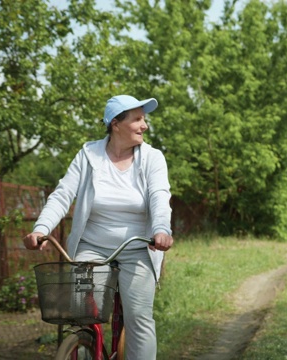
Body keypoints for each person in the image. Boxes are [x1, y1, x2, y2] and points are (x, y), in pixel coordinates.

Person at [23, 94, 174, 359]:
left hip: (138, 247)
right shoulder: (88, 155)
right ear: (115, 123)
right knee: (79, 312)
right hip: (91, 247)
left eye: (144, 119)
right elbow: (62, 194)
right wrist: (41, 228)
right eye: (138, 119)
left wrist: (161, 230)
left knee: (139, 319)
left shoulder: (153, 158)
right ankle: (86, 344)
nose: (145, 126)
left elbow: (160, 197)